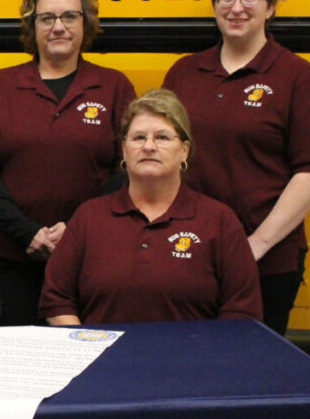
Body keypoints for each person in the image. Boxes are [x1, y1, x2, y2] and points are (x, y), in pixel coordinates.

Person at [162, 0, 310, 335]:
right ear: (214, 3)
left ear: (270, 6)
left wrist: (254, 245)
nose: (236, 7)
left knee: (255, 376)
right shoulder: (184, 73)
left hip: (267, 261)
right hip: (189, 254)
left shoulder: (295, 76)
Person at [0, 0, 136, 326]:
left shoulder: (114, 86)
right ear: (33, 25)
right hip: (14, 261)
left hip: (94, 260)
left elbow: (128, 168)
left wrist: (76, 229)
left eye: (69, 16)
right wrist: (27, 232)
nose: (58, 27)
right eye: (47, 17)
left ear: (85, 22)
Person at [39, 89, 262, 325]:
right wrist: (85, 349)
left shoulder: (219, 221)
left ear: (184, 150)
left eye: (163, 137)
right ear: (124, 149)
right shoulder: (89, 218)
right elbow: (57, 299)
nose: (149, 146)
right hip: (105, 359)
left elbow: (241, 312)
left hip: (192, 361)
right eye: (138, 137)